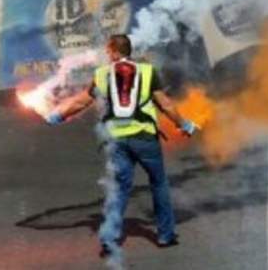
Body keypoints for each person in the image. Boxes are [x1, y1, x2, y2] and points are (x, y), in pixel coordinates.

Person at [44, 34, 198, 257]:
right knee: (158, 184)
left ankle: (110, 240)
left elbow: (81, 102)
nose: (107, 55)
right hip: (145, 138)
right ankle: (165, 236)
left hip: (117, 141)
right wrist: (184, 124)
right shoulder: (147, 72)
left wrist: (57, 116)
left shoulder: (102, 75)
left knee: (120, 189)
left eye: (109, 51)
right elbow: (164, 104)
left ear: (115, 52)